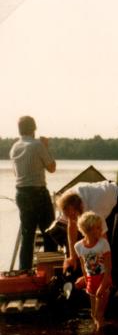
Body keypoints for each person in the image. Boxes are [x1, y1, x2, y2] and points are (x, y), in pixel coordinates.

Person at [58, 180, 118, 292]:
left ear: (79, 208)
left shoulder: (94, 209)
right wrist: (72, 257)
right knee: (89, 238)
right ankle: (99, 279)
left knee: (116, 241)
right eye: (68, 215)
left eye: (73, 215)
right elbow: (71, 226)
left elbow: (104, 244)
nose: (72, 218)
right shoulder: (67, 199)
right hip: (104, 197)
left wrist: (89, 276)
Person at [9, 115, 58, 270]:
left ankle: (24, 272)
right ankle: (50, 271)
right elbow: (52, 168)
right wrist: (45, 146)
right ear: (34, 129)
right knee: (50, 233)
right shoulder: (37, 145)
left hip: (21, 194)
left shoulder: (14, 147)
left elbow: (16, 174)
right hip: (38, 193)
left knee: (27, 236)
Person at [73, 212, 112, 331]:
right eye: (98, 227)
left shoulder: (103, 243)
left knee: (99, 315)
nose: (101, 230)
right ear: (88, 230)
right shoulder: (78, 246)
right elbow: (83, 265)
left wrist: (103, 284)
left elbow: (108, 266)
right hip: (91, 280)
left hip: (103, 278)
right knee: (93, 315)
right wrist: (85, 280)